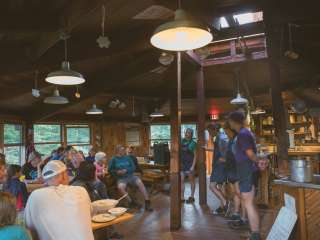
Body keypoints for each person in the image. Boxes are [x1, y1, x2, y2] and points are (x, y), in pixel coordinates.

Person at [25, 160, 94, 240]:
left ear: (46, 181)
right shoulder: (81, 191)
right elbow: (89, 215)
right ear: (64, 176)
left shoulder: (35, 196)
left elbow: (29, 226)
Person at [228, 111, 260, 240]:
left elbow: (250, 154)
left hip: (246, 169)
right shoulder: (244, 133)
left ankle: (255, 235)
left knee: (248, 203)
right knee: (248, 201)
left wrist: (261, 161)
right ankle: (254, 233)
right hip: (245, 170)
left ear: (235, 121)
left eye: (230, 121)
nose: (229, 124)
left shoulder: (243, 134)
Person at [108, 145, 153, 211]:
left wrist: (126, 170)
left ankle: (147, 201)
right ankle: (131, 202)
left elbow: (133, 167)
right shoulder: (113, 159)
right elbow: (110, 170)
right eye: (122, 150)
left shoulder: (128, 158)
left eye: (124, 150)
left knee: (140, 182)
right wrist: (117, 172)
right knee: (120, 187)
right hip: (121, 178)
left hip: (131, 176)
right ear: (118, 151)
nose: (124, 151)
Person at [223, 121, 247, 225]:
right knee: (236, 194)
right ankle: (236, 213)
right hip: (231, 171)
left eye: (227, 131)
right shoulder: (231, 140)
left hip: (237, 171)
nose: (226, 133)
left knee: (240, 194)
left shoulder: (237, 140)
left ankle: (244, 217)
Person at [204, 123, 229, 215]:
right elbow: (220, 150)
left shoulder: (221, 137)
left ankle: (226, 203)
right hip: (220, 166)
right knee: (221, 186)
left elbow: (227, 152)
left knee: (212, 186)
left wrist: (223, 159)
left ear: (214, 129)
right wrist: (207, 149)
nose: (210, 134)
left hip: (220, 166)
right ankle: (222, 207)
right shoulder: (219, 137)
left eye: (210, 131)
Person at [181, 128, 197, 204]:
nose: (187, 134)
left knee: (191, 181)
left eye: (189, 132)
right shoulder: (181, 141)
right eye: (187, 132)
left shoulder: (193, 143)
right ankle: (182, 197)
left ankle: (192, 196)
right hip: (182, 164)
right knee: (181, 180)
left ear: (191, 134)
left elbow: (195, 156)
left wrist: (193, 166)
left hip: (190, 164)